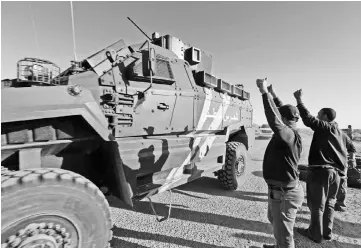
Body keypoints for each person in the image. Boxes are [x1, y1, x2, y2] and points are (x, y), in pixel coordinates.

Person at [293, 89, 354, 243]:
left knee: (316, 205)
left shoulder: (326, 127)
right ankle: (326, 233)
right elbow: (351, 149)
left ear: (325, 117)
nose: (317, 116)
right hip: (336, 175)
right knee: (330, 204)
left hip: (322, 173)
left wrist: (299, 100)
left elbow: (308, 119)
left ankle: (315, 234)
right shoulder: (341, 133)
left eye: (319, 114)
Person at [256, 79, 304, 248]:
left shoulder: (287, 135)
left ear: (283, 118)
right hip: (280, 191)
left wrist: (264, 93)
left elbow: (274, 119)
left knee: (284, 236)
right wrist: (274, 95)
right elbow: (282, 111)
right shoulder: (291, 129)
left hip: (284, 193)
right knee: (275, 222)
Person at [335, 134, 356, 212]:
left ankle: (340, 204)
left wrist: (352, 160)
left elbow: (352, 149)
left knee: (342, 182)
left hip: (341, 163)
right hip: (328, 163)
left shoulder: (342, 135)